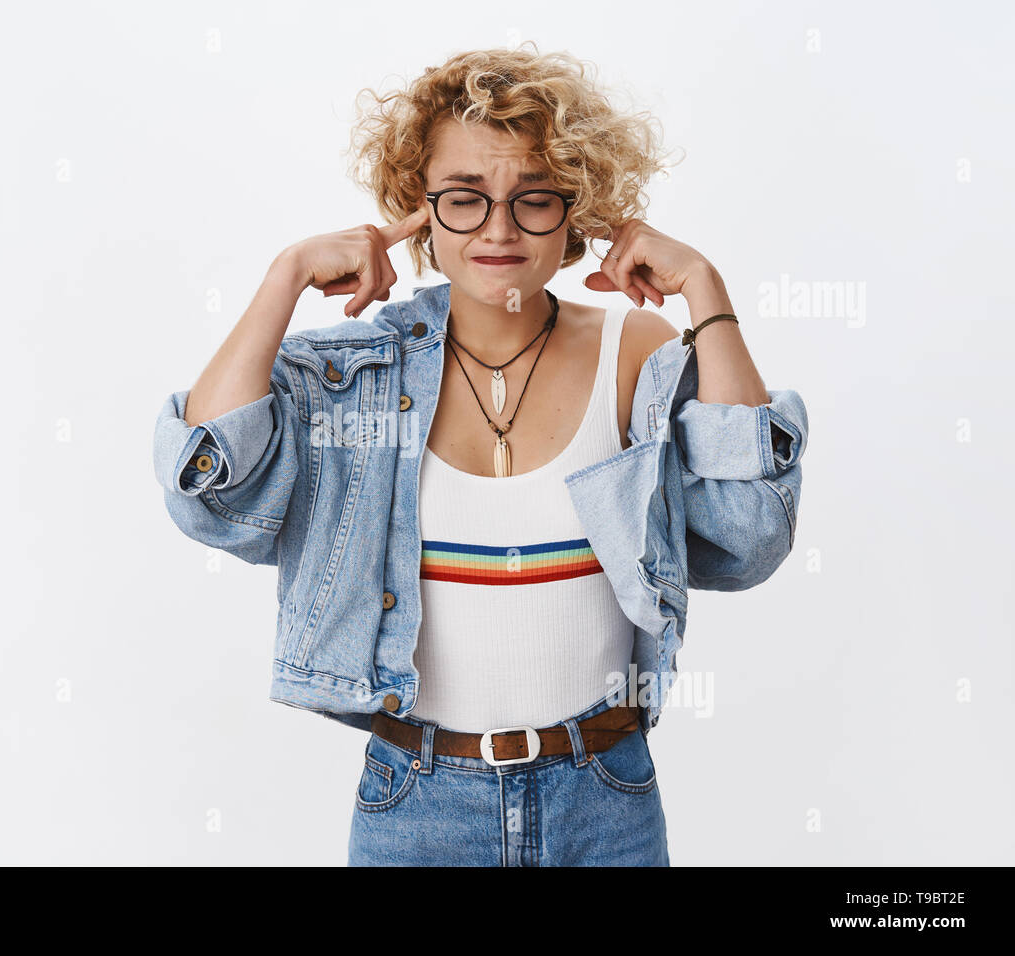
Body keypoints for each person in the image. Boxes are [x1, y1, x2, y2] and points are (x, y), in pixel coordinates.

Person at [153, 44, 808, 866]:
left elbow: (751, 535)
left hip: (604, 798)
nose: (499, 229)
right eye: (464, 198)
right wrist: (283, 277)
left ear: (578, 208)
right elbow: (209, 493)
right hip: (417, 805)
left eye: (534, 199)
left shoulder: (631, 350)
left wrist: (706, 291)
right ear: (418, 206)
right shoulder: (361, 373)